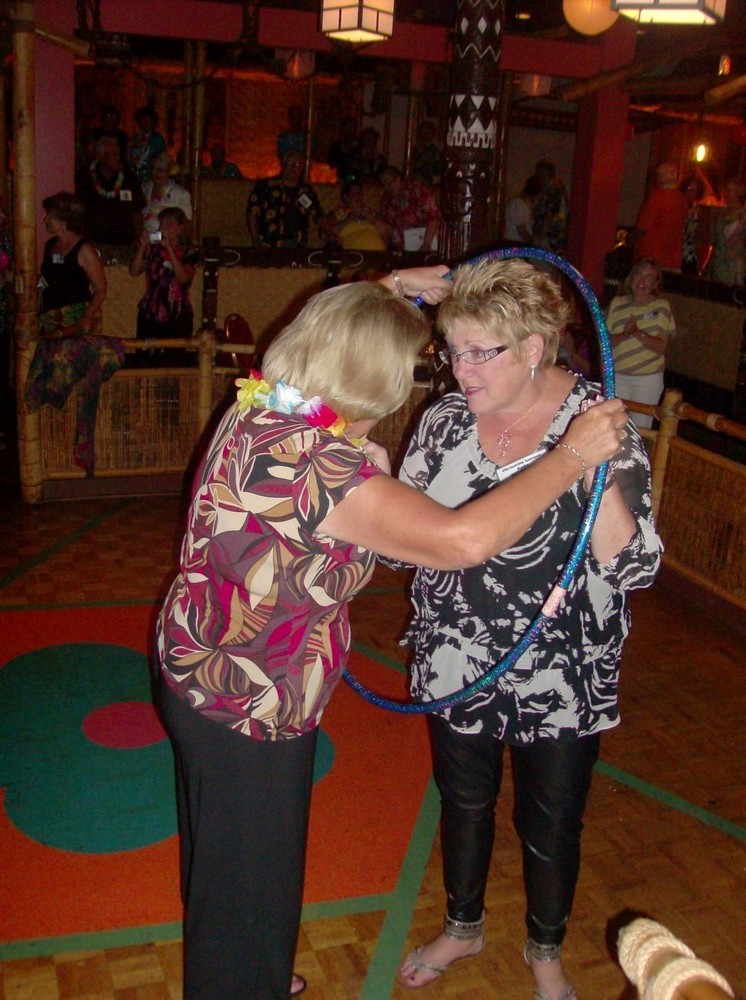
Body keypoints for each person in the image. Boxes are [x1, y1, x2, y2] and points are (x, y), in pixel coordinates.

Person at [154, 264, 628, 1000]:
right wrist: (572, 456)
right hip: (248, 703)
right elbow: (464, 541)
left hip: (198, 667)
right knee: (246, 871)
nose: (425, 379)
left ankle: (251, 967)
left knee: (230, 862)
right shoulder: (319, 466)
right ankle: (240, 980)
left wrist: (390, 286)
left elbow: (331, 328)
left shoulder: (266, 401)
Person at [393, 257, 661, 998]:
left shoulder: (598, 423)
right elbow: (401, 539)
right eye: (452, 350)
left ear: (535, 348)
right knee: (464, 801)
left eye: (480, 352)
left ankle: (545, 951)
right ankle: (463, 927)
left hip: (563, 670)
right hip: (456, 653)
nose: (460, 369)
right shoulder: (447, 419)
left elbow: (635, 566)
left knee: (551, 824)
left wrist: (590, 466)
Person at [25, 192, 121, 475]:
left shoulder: (83, 248)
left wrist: (86, 318)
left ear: (63, 219)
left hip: (74, 321)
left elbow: (100, 289)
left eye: (49, 215)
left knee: (73, 361)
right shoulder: (50, 246)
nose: (45, 219)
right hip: (49, 321)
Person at [606, 256, 675, 429]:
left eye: (649, 277)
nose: (642, 281)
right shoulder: (617, 303)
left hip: (647, 379)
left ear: (656, 284)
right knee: (612, 427)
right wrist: (625, 335)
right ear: (631, 277)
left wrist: (637, 333)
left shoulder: (661, 306)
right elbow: (605, 342)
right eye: (638, 275)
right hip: (618, 376)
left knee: (640, 430)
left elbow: (661, 346)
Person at [128, 207, 198, 365]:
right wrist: (142, 246)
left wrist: (170, 250)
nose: (164, 228)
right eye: (162, 224)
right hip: (151, 311)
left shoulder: (188, 251)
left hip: (177, 312)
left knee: (174, 359)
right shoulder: (153, 250)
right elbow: (134, 271)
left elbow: (183, 277)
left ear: (180, 227)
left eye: (169, 224)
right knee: (146, 359)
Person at [75, 136, 145, 245]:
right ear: (102, 157)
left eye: (119, 154)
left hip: (124, 241)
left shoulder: (128, 177)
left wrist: (138, 237)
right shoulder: (84, 176)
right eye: (115, 155)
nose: (119, 158)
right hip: (93, 241)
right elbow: (77, 211)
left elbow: (136, 211)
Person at [246, 150, 324, 248]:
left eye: (297, 165)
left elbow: (317, 213)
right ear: (283, 164)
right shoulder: (265, 186)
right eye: (290, 163)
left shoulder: (305, 192)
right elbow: (253, 211)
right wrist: (254, 237)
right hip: (269, 243)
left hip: (297, 244)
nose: (293, 168)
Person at [632, 162, 689, 270]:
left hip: (651, 257)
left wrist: (631, 239)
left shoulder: (656, 198)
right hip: (673, 258)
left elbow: (642, 228)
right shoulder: (682, 200)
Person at [379, 166, 442, 252]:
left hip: (426, 240)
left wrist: (426, 244)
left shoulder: (417, 190)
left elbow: (434, 217)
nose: (386, 188)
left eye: (388, 184)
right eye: (383, 185)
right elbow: (388, 226)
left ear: (398, 179)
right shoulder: (386, 199)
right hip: (401, 248)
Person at [321, 180, 390, 250]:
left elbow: (388, 233)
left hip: (378, 253)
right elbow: (324, 235)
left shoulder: (372, 212)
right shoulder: (338, 213)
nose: (358, 195)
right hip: (355, 253)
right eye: (354, 193)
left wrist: (373, 220)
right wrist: (348, 221)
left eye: (360, 193)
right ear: (346, 198)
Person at [141, 153, 193, 235]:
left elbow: (186, 225)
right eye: (154, 169)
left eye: (160, 170)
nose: (156, 173)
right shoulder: (144, 188)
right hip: (145, 237)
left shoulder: (180, 193)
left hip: (167, 238)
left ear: (169, 172)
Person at [709, 177, 746, 286]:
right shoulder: (721, 214)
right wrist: (712, 219)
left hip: (733, 266)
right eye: (725, 190)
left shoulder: (743, 215)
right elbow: (713, 239)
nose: (726, 194)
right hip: (717, 263)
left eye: (730, 191)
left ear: (739, 193)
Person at [531, 160, 568, 253]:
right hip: (554, 234)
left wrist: (541, 236)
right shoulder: (558, 188)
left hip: (549, 236)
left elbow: (549, 213)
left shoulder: (552, 189)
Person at [128, 106, 167, 186]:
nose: (145, 123)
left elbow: (161, 160)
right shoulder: (134, 138)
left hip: (150, 178)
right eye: (142, 120)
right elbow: (128, 157)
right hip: (134, 177)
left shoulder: (157, 140)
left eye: (148, 120)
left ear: (153, 123)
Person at [503, 175, 543, 244]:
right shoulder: (517, 204)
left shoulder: (525, 206)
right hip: (514, 242)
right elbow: (521, 230)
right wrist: (531, 244)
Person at [411, 120, 444, 188]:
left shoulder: (434, 151)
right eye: (423, 132)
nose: (425, 135)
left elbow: (438, 170)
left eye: (428, 133)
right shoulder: (414, 149)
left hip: (426, 184)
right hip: (413, 181)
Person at [327, 115, 361, 183]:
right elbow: (331, 164)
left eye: (353, 128)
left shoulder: (359, 147)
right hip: (336, 179)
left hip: (353, 179)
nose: (351, 131)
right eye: (348, 128)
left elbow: (358, 172)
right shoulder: (336, 146)